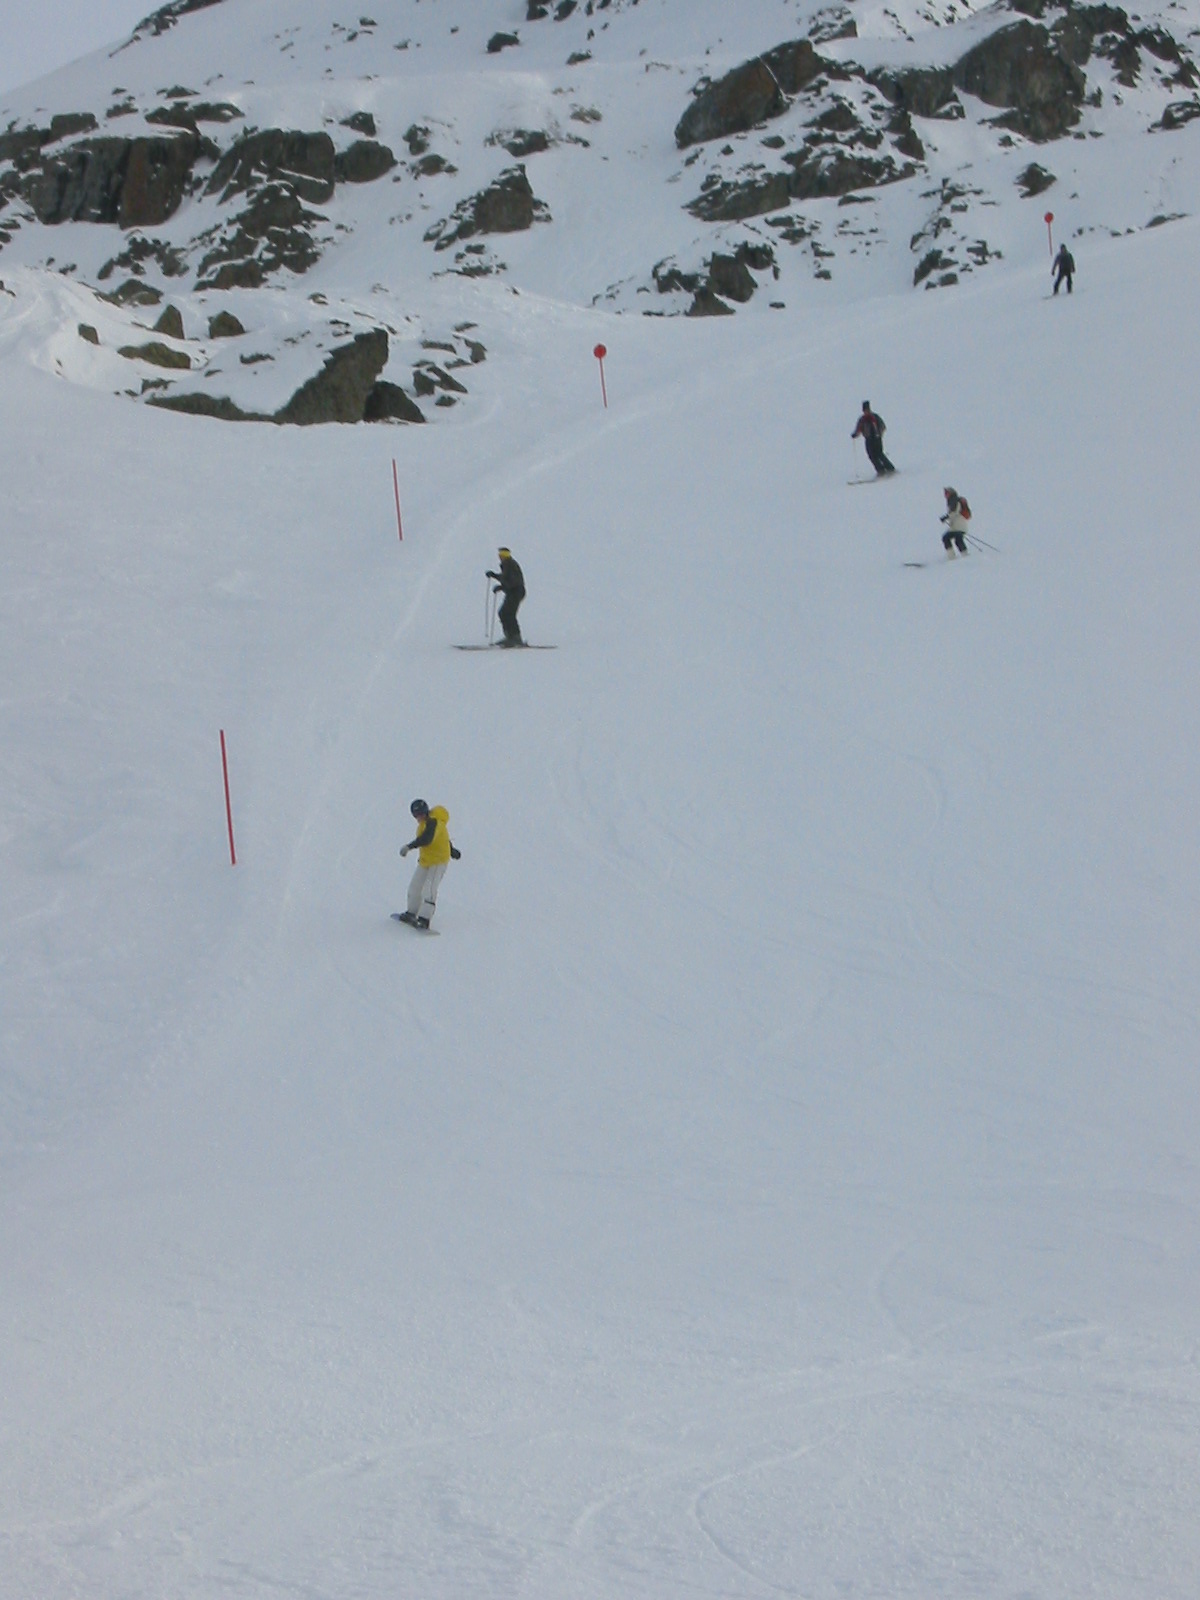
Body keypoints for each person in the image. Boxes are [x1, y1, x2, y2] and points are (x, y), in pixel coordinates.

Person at [397, 798, 460, 928]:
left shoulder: (434, 823)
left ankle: (424, 919)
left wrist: (409, 846)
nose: (419, 818)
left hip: (438, 862)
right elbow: (443, 839)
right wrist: (452, 850)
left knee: (429, 890)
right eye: (416, 815)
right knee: (415, 887)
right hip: (426, 860)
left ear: (426, 812)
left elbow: (427, 839)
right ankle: (411, 912)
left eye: (421, 814)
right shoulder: (425, 824)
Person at [485, 546, 525, 646]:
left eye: (502, 554)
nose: (500, 556)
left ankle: (515, 638)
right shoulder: (506, 565)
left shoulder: (510, 564)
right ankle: (510, 637)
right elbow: (505, 578)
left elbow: (514, 581)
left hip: (516, 592)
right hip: (513, 592)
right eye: (500, 554)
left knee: (508, 613)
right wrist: (494, 575)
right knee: (503, 613)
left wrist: (502, 587)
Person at [851, 401, 896, 476]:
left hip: (877, 439)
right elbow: (859, 429)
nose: (866, 412)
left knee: (879, 454)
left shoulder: (875, 417)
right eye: (865, 410)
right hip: (868, 440)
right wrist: (855, 434)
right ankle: (880, 470)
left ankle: (890, 468)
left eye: (867, 410)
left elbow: (883, 426)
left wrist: (879, 434)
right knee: (871, 456)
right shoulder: (862, 420)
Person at [940, 486, 971, 556]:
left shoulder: (955, 501)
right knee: (947, 538)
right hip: (955, 526)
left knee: (956, 539)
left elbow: (955, 512)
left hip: (960, 525)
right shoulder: (951, 501)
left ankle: (963, 555)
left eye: (946, 493)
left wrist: (946, 517)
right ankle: (956, 555)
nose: (945, 495)